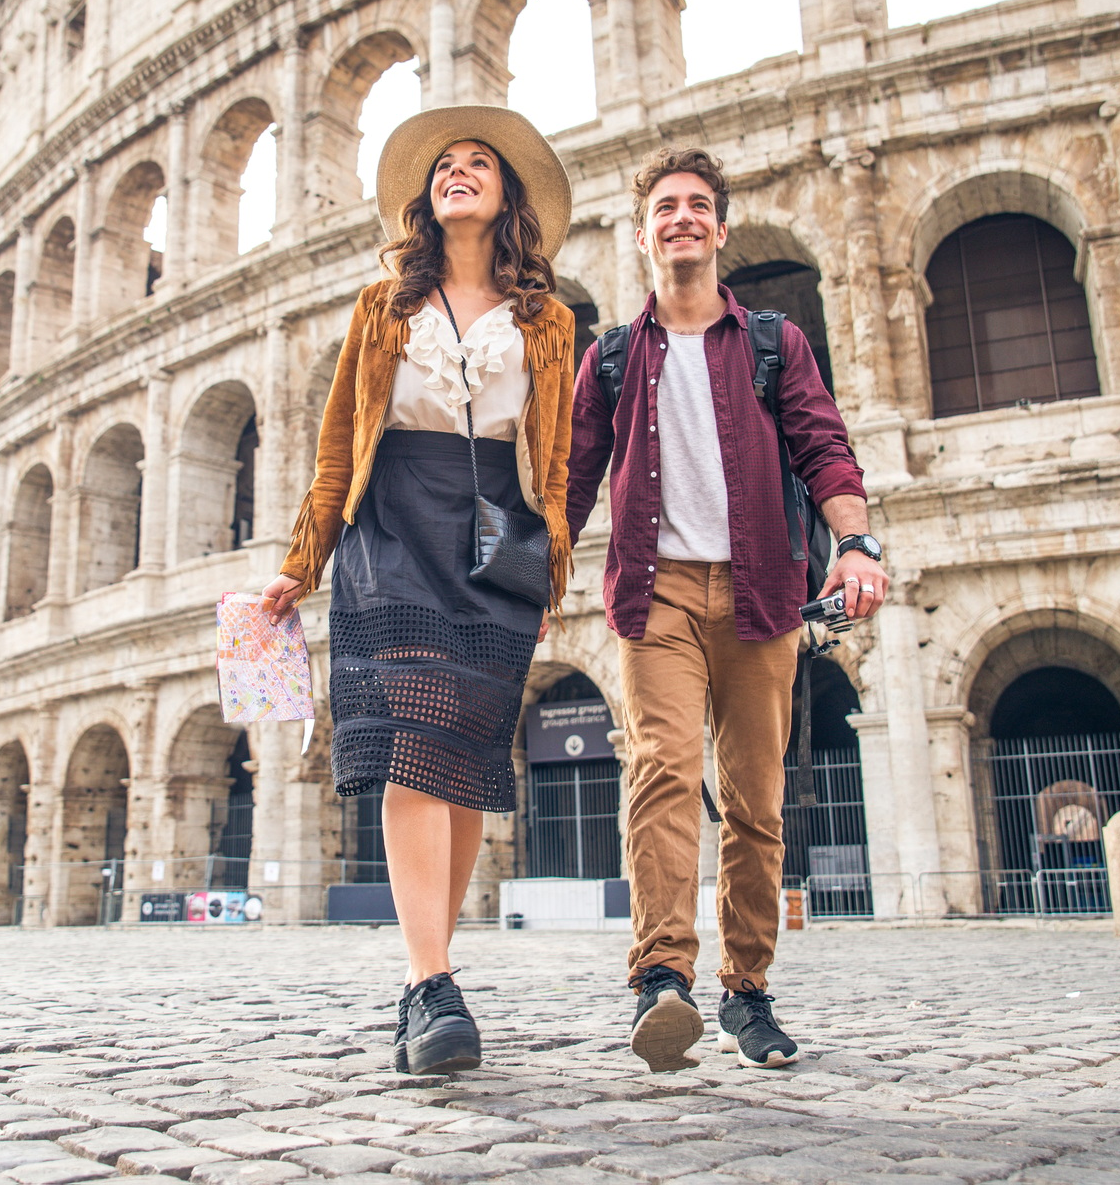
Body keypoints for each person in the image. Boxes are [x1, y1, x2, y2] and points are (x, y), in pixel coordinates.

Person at [260, 105, 577, 1076]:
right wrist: (297, 565)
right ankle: (430, 980)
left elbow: (555, 459)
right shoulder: (379, 307)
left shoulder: (549, 320)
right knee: (411, 742)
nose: (458, 172)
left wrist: (553, 561)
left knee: (469, 754)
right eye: (443, 165)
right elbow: (332, 451)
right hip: (390, 526)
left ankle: (425, 982)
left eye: (477, 164)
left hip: (495, 544)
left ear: (505, 197)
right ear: (424, 199)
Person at [566, 147, 891, 1072]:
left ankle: (748, 990)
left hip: (763, 593)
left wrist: (857, 542)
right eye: (665, 206)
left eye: (698, 205)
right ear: (642, 234)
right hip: (654, 590)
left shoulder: (773, 344)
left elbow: (826, 448)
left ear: (719, 227)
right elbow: (573, 480)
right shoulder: (615, 356)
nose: (682, 219)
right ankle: (661, 978)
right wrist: (534, 571)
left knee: (756, 801)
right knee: (662, 767)